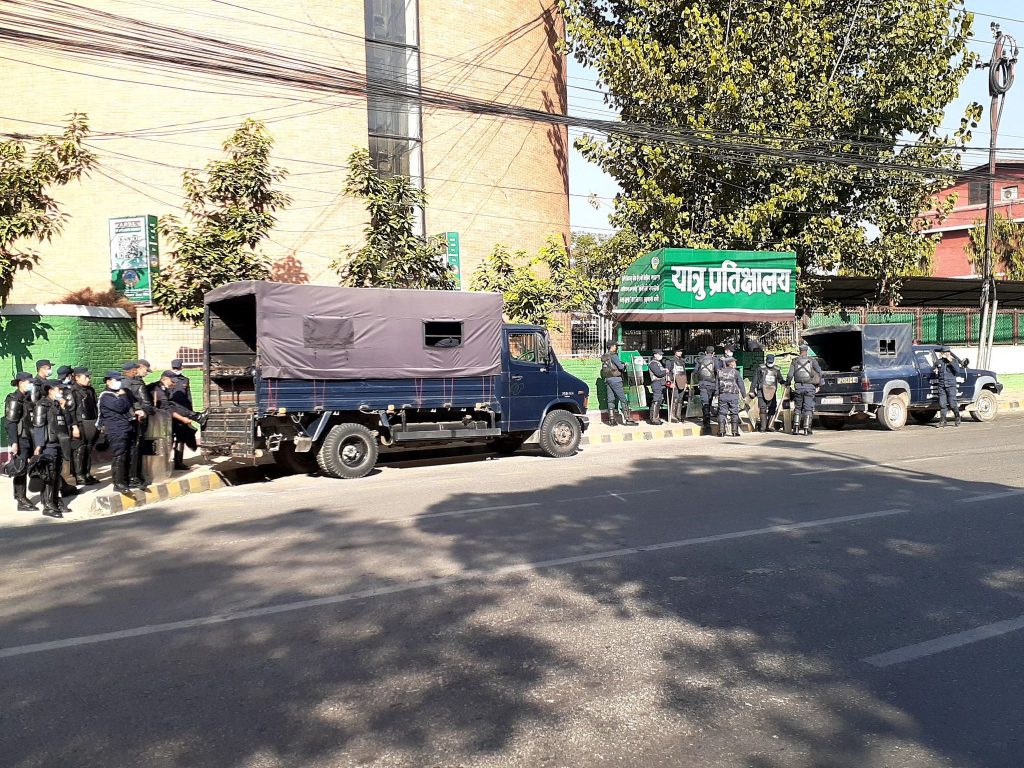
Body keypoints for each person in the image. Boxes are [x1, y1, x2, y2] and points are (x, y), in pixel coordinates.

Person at [98, 370, 144, 495]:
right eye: (116, 380)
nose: (119, 382)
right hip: (116, 429)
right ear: (108, 382)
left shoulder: (122, 393)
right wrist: (123, 396)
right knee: (120, 455)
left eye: (120, 380)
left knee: (132, 453)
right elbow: (120, 407)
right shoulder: (106, 396)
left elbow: (131, 406)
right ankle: (119, 483)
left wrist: (137, 411)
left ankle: (131, 478)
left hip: (128, 427)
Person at [31, 382, 71, 518]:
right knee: (49, 474)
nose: (61, 392)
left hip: (59, 442)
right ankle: (48, 505)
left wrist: (64, 408)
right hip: (48, 445)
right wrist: (39, 446)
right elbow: (38, 426)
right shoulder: (42, 405)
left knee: (56, 473)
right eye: (59, 389)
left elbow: (66, 422)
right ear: (50, 390)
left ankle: (54, 500)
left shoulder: (58, 404)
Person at [153, 371, 203, 470]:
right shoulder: (158, 390)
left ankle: (178, 463)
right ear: (164, 379)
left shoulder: (166, 388)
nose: (174, 383)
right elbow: (167, 409)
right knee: (167, 441)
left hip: (171, 417)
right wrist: (183, 418)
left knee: (182, 435)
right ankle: (164, 465)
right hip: (161, 420)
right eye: (172, 381)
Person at [4, 372, 37, 511]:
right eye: (29, 382)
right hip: (20, 438)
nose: (31, 384)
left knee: (26, 467)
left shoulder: (28, 399)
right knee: (20, 468)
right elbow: (11, 423)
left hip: (30, 437)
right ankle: (21, 499)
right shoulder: (14, 399)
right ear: (20, 383)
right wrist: (14, 442)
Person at [121, 361, 154, 490]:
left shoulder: (119, 383)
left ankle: (125, 478)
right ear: (134, 370)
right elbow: (147, 404)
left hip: (122, 421)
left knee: (125, 450)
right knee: (136, 448)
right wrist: (147, 411)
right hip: (138, 421)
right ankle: (134, 477)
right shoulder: (137, 384)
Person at [67, 367, 100, 485]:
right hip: (80, 423)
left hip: (91, 422)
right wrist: (74, 426)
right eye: (85, 377)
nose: (88, 379)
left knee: (88, 449)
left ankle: (87, 473)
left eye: (88, 376)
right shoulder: (73, 391)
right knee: (80, 449)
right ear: (77, 378)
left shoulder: (90, 390)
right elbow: (71, 411)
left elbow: (95, 406)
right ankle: (79, 475)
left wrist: (99, 423)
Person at [786, 343, 823, 436]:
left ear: (800, 351)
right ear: (806, 351)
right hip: (810, 387)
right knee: (808, 408)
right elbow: (820, 372)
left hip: (798, 387)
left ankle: (796, 428)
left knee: (798, 407)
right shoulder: (812, 360)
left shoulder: (794, 361)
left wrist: (788, 384)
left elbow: (790, 375)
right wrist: (819, 385)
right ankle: (807, 429)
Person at [600, 342, 637, 426]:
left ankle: (612, 420)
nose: (616, 348)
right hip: (616, 380)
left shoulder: (605, 356)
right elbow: (620, 367)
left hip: (608, 379)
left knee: (610, 399)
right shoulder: (613, 356)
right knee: (623, 399)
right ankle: (627, 419)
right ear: (612, 346)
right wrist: (625, 365)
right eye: (616, 346)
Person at [715, 356, 748, 437]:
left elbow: (717, 385)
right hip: (733, 396)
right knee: (734, 413)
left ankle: (721, 431)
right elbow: (741, 384)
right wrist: (744, 396)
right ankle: (734, 432)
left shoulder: (719, 372)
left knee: (722, 413)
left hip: (723, 395)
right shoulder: (735, 372)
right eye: (734, 362)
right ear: (730, 363)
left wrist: (717, 394)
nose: (735, 363)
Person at [750, 354, 783, 432]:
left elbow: (780, 379)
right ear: (766, 361)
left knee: (772, 408)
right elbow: (755, 379)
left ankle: (770, 426)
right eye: (769, 362)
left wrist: (785, 383)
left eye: (771, 362)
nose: (770, 363)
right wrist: (751, 390)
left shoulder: (776, 369)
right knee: (763, 409)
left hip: (772, 392)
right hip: (761, 391)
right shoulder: (760, 368)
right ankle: (763, 427)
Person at [934, 346, 965, 428]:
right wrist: (935, 371)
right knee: (942, 404)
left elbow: (958, 371)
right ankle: (943, 421)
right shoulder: (939, 362)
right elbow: (936, 370)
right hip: (941, 386)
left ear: (949, 353)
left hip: (951, 385)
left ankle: (957, 417)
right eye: (944, 353)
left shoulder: (954, 361)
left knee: (952, 403)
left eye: (947, 352)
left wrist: (950, 360)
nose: (945, 354)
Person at [690, 345, 718, 435]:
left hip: (702, 385)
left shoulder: (700, 360)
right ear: (713, 353)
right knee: (709, 403)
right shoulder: (715, 360)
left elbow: (694, 372)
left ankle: (706, 423)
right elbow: (718, 372)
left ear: (705, 352)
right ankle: (708, 420)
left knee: (705, 403)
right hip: (712, 385)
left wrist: (696, 382)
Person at [646, 351, 669, 425]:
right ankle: (653, 419)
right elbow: (658, 373)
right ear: (655, 355)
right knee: (656, 400)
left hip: (661, 383)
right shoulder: (653, 363)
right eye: (659, 354)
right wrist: (665, 371)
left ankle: (656, 417)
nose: (661, 356)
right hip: (656, 383)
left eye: (661, 354)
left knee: (659, 400)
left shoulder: (658, 363)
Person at [666, 348, 687, 423]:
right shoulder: (670, 361)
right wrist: (670, 383)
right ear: (675, 352)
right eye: (678, 351)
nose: (680, 352)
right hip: (674, 382)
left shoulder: (682, 361)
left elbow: (684, 372)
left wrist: (686, 383)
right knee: (675, 399)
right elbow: (667, 373)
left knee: (680, 399)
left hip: (682, 381)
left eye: (681, 351)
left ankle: (678, 415)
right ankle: (672, 416)